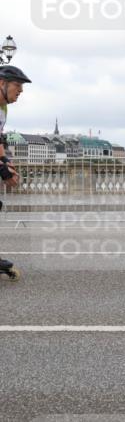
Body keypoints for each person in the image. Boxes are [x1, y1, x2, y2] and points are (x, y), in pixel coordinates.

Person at [0, 65, 31, 281]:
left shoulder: (3, 108)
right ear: (2, 83)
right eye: (17, 86)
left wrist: (5, 160)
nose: (20, 91)